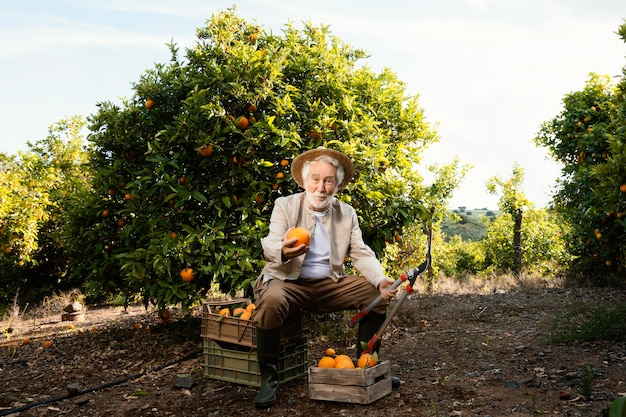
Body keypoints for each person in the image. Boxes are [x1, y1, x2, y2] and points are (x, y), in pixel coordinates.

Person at [252, 146, 399, 409]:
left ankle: (367, 367)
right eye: (316, 179)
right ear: (305, 181)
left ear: (338, 185)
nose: (321, 187)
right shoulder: (284, 205)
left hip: (330, 284)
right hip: (288, 283)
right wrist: (282, 251)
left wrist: (380, 280)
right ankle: (269, 379)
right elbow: (270, 242)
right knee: (271, 300)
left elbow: (361, 252)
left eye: (329, 180)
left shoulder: (347, 213)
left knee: (375, 295)